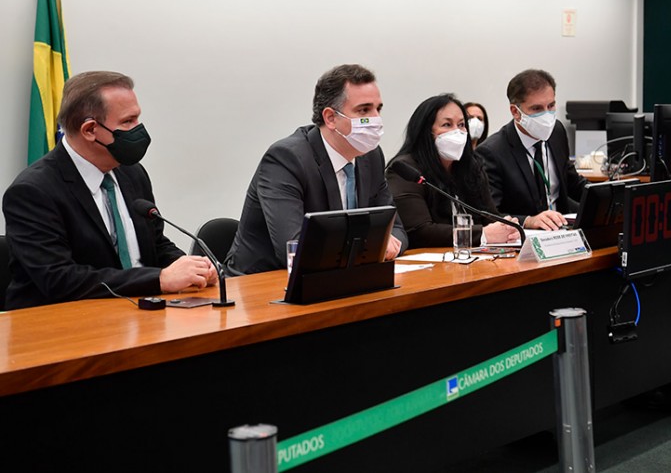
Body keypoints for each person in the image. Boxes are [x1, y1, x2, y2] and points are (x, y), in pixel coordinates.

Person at [2, 71, 217, 310]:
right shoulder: (32, 192)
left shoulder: (132, 173)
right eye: (128, 122)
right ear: (90, 130)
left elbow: (155, 244)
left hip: (136, 314)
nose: (139, 130)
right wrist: (159, 279)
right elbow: (60, 279)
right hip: (60, 327)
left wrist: (192, 267)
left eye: (138, 119)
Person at [226, 64, 408, 274]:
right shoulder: (286, 159)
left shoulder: (371, 156)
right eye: (364, 110)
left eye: (378, 109)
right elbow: (293, 246)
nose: (376, 119)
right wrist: (371, 246)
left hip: (340, 277)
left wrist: (388, 245)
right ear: (331, 118)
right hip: (263, 285)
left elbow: (397, 230)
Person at [386, 94, 518, 249]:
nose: (457, 132)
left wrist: (506, 227)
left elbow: (488, 215)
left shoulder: (471, 167)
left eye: (461, 125)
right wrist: (483, 235)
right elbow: (418, 231)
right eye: (447, 125)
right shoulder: (405, 170)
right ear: (426, 132)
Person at [476, 69, 587, 230]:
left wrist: (609, 193)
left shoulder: (556, 132)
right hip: (524, 239)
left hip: (563, 231)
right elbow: (490, 214)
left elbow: (572, 182)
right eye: (537, 109)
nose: (547, 115)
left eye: (551, 105)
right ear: (515, 112)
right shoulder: (491, 152)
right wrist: (529, 221)